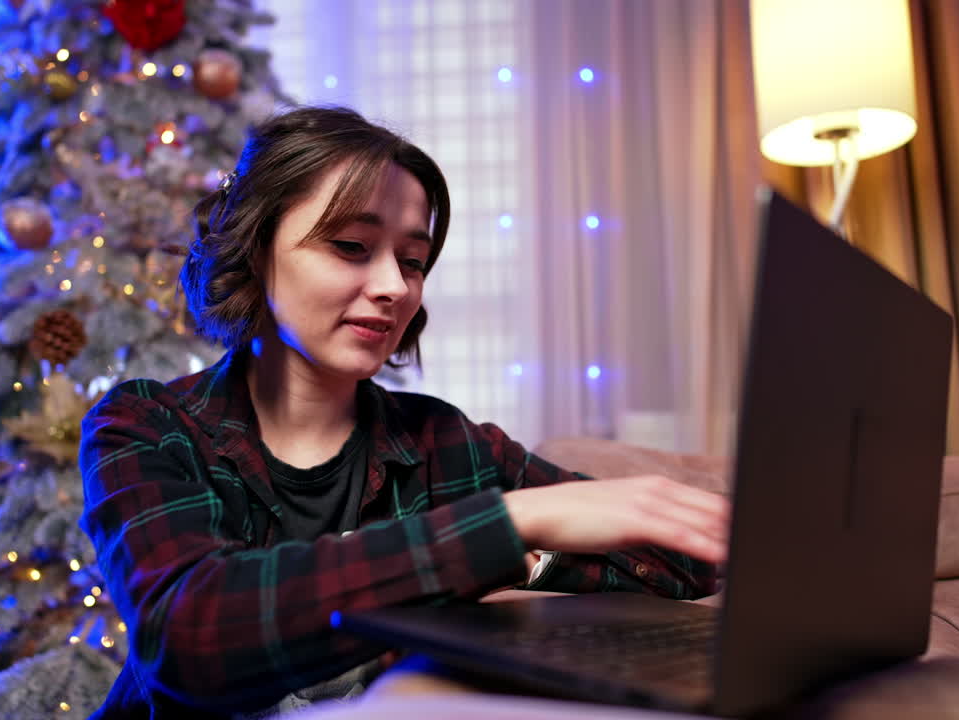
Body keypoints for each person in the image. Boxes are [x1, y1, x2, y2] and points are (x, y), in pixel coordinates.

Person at [79, 106, 729, 719]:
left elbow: (681, 556)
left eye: (413, 261)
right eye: (351, 246)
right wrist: (505, 526)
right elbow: (192, 637)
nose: (396, 287)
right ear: (256, 250)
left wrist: (529, 557)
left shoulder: (441, 441)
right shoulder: (145, 426)